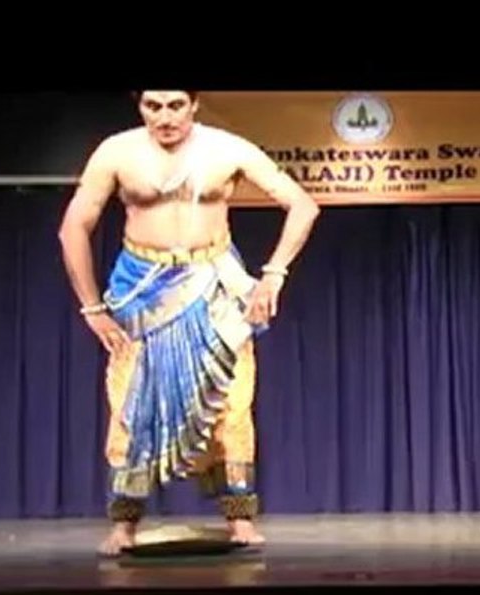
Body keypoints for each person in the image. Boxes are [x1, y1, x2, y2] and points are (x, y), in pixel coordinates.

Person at [59, 90, 321, 555]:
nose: (165, 116)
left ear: (194, 104)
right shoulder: (117, 151)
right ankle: (124, 524)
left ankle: (239, 518)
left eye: (175, 104)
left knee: (231, 401)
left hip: (216, 284)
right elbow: (73, 226)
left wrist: (274, 274)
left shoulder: (228, 148)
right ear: (139, 106)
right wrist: (91, 307)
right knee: (132, 405)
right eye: (153, 106)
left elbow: (302, 204)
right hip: (142, 290)